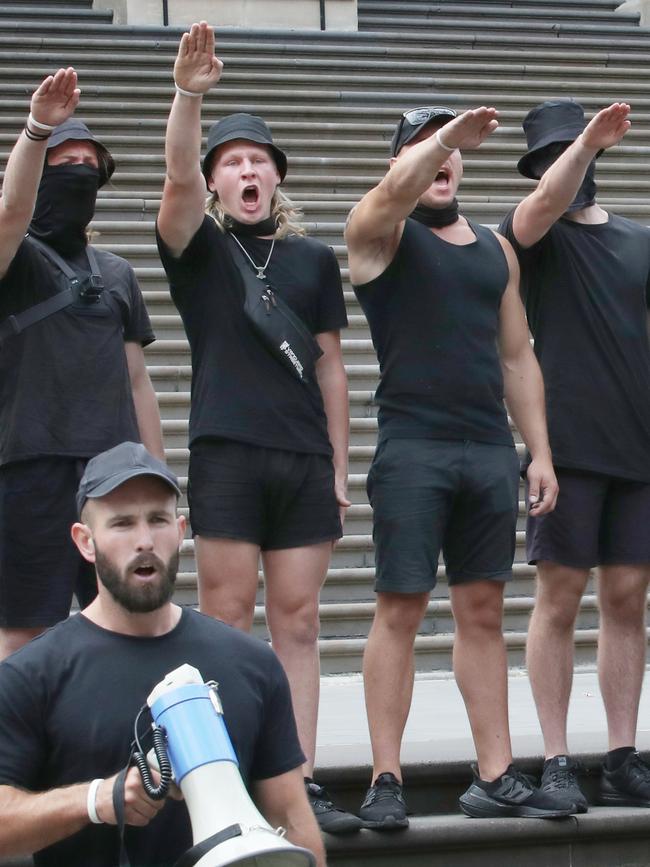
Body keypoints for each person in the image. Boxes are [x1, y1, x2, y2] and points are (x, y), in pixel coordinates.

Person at [344, 103, 575, 826]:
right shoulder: (378, 234)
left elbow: (517, 355)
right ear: (399, 164)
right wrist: (439, 139)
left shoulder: (496, 252)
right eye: (415, 147)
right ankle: (386, 777)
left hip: (484, 451)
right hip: (413, 447)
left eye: (445, 148)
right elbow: (388, 197)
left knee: (482, 612)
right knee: (400, 608)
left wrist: (538, 450)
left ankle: (496, 772)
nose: (437, 159)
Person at [155, 22, 358, 834]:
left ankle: (297, 776)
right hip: (227, 453)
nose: (247, 170)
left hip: (303, 457)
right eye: (232, 161)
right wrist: (188, 96)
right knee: (226, 616)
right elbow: (172, 182)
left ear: (277, 176)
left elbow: (333, 367)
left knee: (299, 622)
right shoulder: (198, 248)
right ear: (216, 182)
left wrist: (341, 469)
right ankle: (225, 778)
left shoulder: (310, 261)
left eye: (258, 160)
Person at [0, 441, 326, 867]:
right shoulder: (32, 674)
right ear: (85, 542)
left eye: (158, 519)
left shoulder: (251, 663)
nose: (144, 540)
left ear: (181, 529)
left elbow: (290, 816)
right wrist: (97, 800)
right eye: (121, 524)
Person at [499, 98, 650, 811]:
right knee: (558, 599)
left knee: (626, 599)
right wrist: (585, 142)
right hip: (563, 447)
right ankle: (556, 755)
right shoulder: (531, 232)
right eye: (558, 154)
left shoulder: (636, 240)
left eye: (583, 150)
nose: (574, 166)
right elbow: (546, 202)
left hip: (637, 445)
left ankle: (622, 754)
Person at [0, 68, 164, 660]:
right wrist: (37, 130)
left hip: (114, 474)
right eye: (65, 164)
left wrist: (160, 478)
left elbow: (139, 382)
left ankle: (121, 751)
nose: (80, 174)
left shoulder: (117, 273)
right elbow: (11, 208)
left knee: (127, 621)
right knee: (25, 629)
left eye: (90, 167)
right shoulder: (14, 258)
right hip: (31, 470)